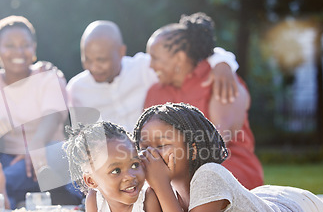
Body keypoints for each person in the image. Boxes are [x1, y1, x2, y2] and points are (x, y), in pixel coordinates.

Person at [134, 102, 323, 212]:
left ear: (192, 150)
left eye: (162, 144)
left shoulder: (209, 174)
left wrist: (160, 185)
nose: (150, 153)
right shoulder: (157, 192)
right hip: (258, 200)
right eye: (143, 147)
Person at [0, 15, 78, 209]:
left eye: (25, 45)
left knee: (55, 153)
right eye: (9, 45)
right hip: (9, 162)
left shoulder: (48, 76)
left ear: (33, 49)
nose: (18, 51)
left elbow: (54, 114)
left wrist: (36, 146)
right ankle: (1, 193)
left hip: (48, 157)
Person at [63, 121, 230, 212]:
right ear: (91, 181)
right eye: (115, 170)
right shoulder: (94, 198)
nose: (130, 176)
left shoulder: (148, 197)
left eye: (135, 164)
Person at [143, 12, 263, 189]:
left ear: (179, 58)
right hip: (175, 173)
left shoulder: (220, 80)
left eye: (155, 58)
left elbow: (221, 137)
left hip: (226, 168)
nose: (151, 66)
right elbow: (147, 142)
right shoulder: (155, 92)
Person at [66, 20, 240, 132]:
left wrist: (222, 62)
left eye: (101, 60)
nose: (93, 67)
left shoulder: (144, 67)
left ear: (121, 52)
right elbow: (83, 140)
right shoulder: (76, 89)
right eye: (86, 59)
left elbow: (191, 55)